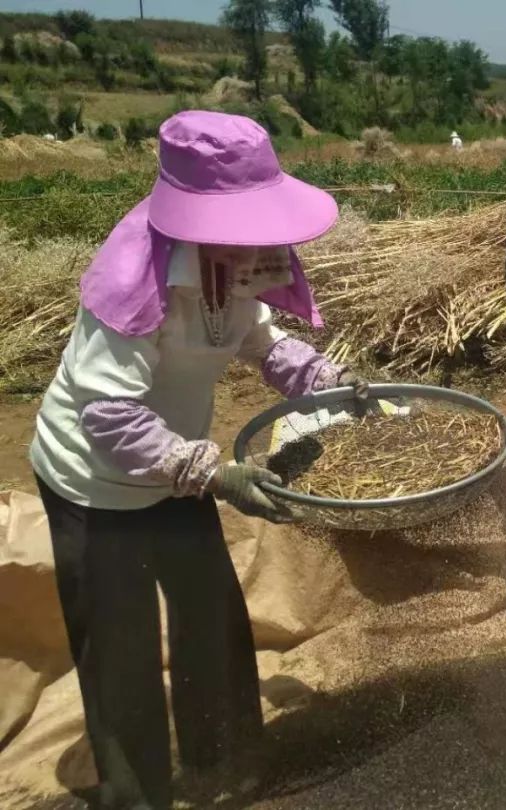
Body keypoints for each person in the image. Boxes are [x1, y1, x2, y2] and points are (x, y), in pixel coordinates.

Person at [29, 110, 366, 810]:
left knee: (210, 616)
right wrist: (215, 474)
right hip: (93, 481)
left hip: (177, 465)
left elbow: (264, 342)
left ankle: (225, 765)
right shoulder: (135, 279)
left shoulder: (241, 256)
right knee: (120, 649)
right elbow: (109, 415)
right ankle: (138, 792)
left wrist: (325, 383)